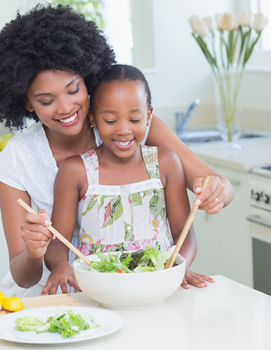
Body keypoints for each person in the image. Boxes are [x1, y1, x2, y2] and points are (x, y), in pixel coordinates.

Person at [0, 4, 233, 297]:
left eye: (73, 90)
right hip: (55, 294)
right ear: (26, 103)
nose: (65, 108)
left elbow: (219, 187)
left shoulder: (137, 129)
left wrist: (217, 192)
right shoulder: (17, 158)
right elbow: (23, 277)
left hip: (136, 285)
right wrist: (35, 252)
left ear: (88, 79)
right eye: (46, 101)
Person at [44, 64, 210, 293]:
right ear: (92, 118)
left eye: (134, 120)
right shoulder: (75, 170)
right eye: (111, 121)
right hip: (99, 291)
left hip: (158, 286)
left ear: (148, 115)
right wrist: (60, 264)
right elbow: (57, 243)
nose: (123, 130)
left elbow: (184, 234)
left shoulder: (167, 163)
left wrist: (178, 267)